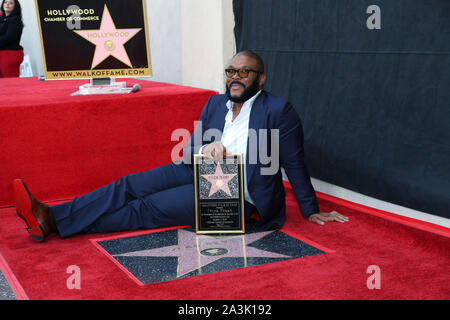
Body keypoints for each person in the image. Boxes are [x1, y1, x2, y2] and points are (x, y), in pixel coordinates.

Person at [13, 50, 349, 242]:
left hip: (233, 194)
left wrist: (310, 209)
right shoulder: (214, 104)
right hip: (195, 169)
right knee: (128, 185)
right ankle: (51, 217)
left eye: (245, 72)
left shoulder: (278, 109)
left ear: (260, 80)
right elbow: (189, 149)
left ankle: (53, 221)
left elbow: (294, 161)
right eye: (231, 70)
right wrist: (208, 147)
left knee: (146, 207)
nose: (235, 77)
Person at [0, 0, 23, 78]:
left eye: (11, 3)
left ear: (15, 6)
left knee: (10, 81)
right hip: (2, 53)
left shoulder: (15, 20)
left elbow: (9, 37)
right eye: (5, 2)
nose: (7, 4)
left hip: (10, 54)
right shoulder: (2, 19)